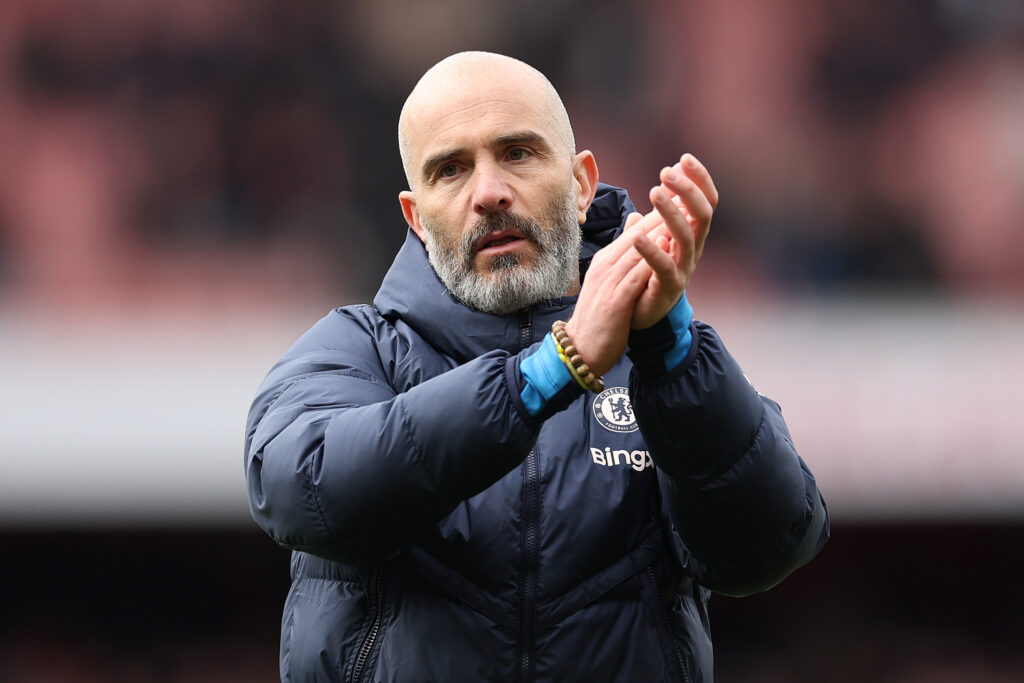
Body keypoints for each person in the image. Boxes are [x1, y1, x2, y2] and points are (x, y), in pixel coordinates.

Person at [244, 51, 828, 682]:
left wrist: (673, 353)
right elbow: (302, 493)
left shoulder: (668, 371)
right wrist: (550, 370)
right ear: (416, 217)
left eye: (518, 153)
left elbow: (768, 547)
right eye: (451, 169)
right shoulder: (354, 350)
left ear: (581, 185)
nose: (490, 192)